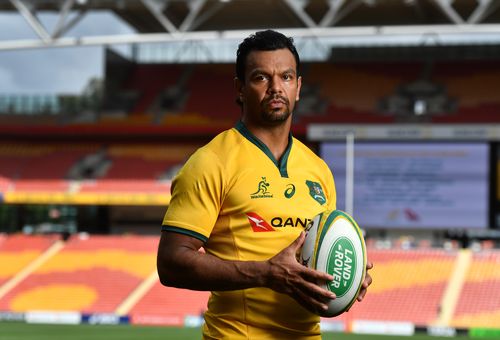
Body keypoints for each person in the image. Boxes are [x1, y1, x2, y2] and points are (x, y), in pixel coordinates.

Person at [157, 29, 373, 339]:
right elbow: (171, 263)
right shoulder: (211, 162)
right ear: (240, 89)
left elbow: (315, 257)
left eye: (286, 77)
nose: (276, 87)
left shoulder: (319, 170)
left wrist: (348, 278)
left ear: (298, 87)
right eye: (261, 78)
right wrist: (267, 274)